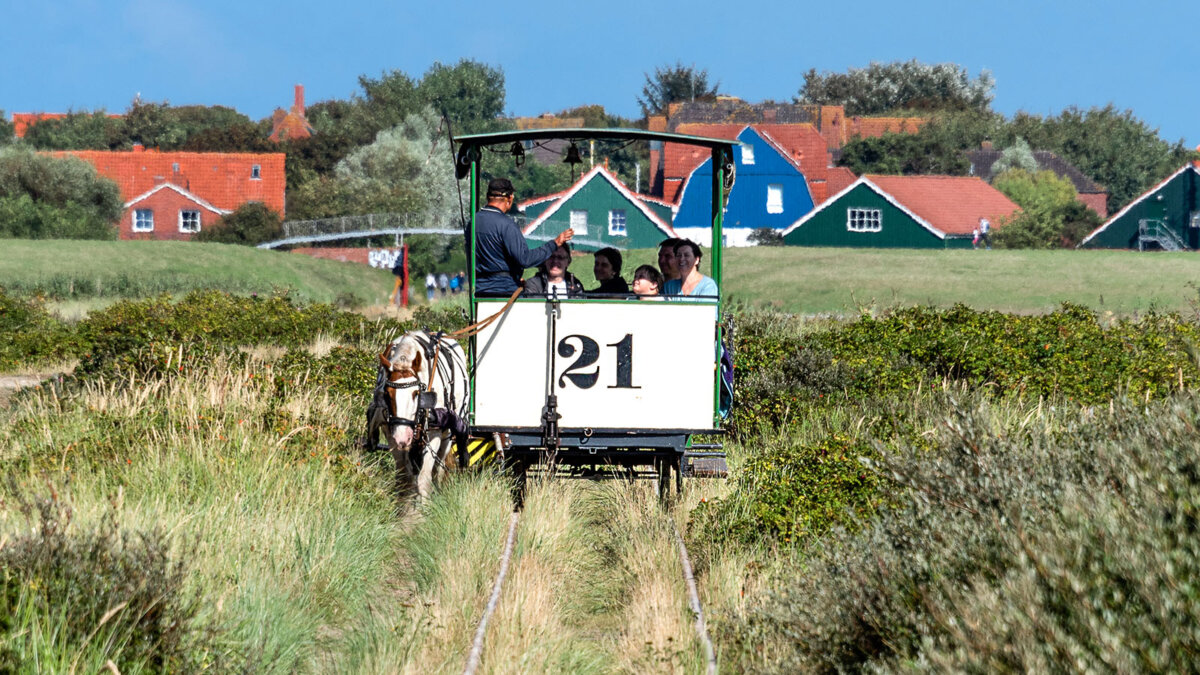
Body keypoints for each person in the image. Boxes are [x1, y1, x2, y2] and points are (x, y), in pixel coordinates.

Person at [475, 178, 573, 296]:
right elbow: (525, 259)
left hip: (480, 290)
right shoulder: (507, 225)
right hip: (505, 292)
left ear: (487, 196)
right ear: (510, 198)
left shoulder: (473, 223)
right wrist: (554, 243)